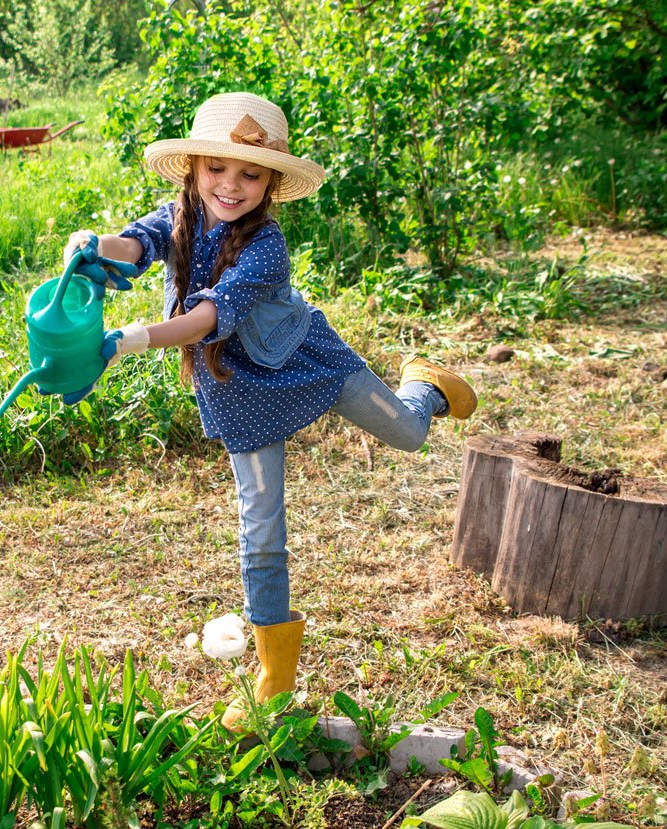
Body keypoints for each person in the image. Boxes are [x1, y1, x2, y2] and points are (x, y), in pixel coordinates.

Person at [61, 92, 477, 732]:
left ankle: (426, 388)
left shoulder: (267, 248)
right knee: (261, 528)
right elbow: (137, 246)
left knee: (410, 434)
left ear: (272, 182)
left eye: (250, 174)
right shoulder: (180, 218)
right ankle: (274, 676)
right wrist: (93, 244)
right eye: (217, 170)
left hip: (306, 362)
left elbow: (207, 317)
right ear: (194, 169)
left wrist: (129, 339)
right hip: (240, 392)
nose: (231, 185)